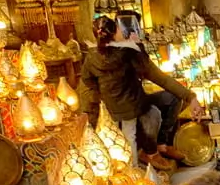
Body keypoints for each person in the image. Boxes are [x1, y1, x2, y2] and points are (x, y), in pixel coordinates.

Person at [80, 15, 203, 171]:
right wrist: (138, 46)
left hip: (120, 105)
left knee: (171, 99)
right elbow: (159, 77)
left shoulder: (91, 57)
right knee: (142, 124)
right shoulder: (129, 52)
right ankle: (140, 162)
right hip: (126, 108)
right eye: (119, 28)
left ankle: (160, 146)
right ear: (115, 32)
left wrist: (190, 97)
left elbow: (87, 80)